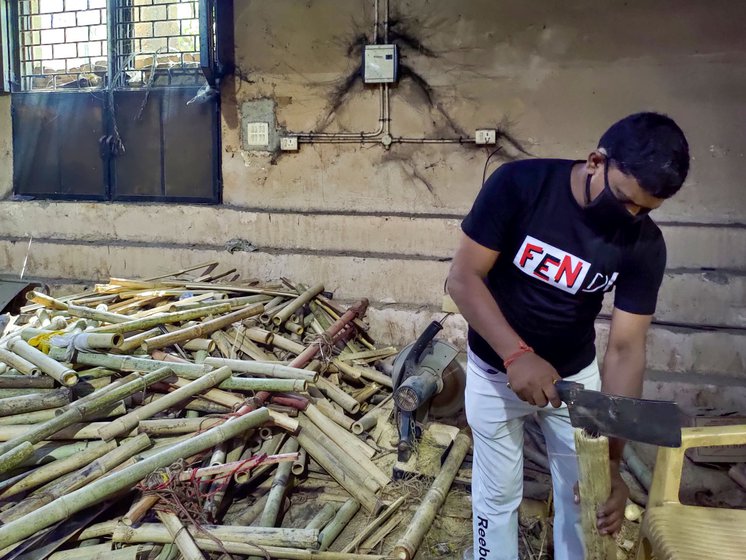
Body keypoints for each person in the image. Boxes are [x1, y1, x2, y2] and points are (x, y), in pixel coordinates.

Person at [447, 112, 690, 560]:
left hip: (574, 380)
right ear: (596, 161)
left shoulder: (644, 244)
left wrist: (613, 462)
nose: (630, 215)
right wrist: (515, 354)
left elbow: (625, 349)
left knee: (587, 500)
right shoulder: (521, 186)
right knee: (496, 498)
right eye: (623, 200)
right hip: (495, 371)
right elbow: (463, 278)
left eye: (645, 209)